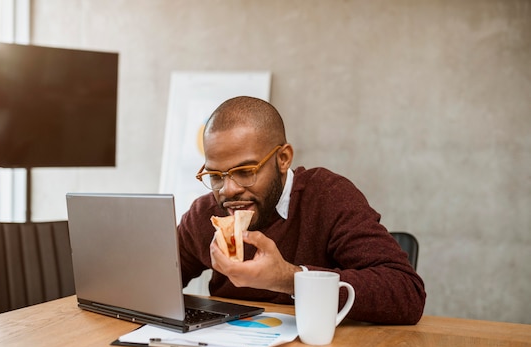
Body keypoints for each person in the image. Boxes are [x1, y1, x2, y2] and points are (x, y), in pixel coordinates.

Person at [177, 96, 426, 325]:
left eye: (246, 172)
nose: (228, 190)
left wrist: (289, 278)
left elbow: (407, 293)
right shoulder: (204, 214)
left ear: (283, 158)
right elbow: (154, 283)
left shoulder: (327, 196)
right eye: (216, 176)